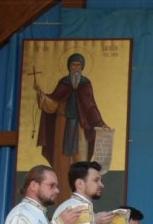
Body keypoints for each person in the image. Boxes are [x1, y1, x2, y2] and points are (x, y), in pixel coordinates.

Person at [35, 53, 108, 197]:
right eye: (73, 65)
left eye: (79, 66)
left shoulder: (85, 84)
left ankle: (80, 195)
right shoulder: (64, 83)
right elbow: (53, 103)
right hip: (62, 126)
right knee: (60, 162)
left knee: (80, 159)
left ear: (82, 67)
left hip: (80, 128)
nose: (76, 69)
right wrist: (42, 96)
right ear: (69, 66)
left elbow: (90, 106)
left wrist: (100, 123)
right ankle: (60, 195)